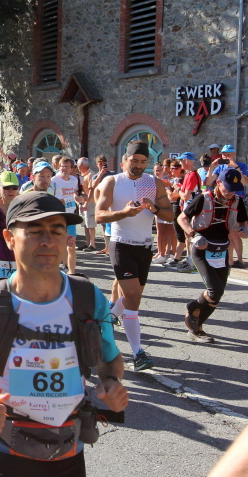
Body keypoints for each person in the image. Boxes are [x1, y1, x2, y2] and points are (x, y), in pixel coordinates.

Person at [0, 192, 128, 477]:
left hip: (70, 449)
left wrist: (112, 381)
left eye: (57, 231)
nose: (47, 241)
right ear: (9, 238)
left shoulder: (88, 298)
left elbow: (110, 359)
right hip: (6, 453)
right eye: (34, 231)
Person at [96, 140, 173, 371]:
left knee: (133, 295)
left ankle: (101, 323)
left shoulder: (154, 183)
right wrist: (124, 213)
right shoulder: (113, 181)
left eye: (143, 161)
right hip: (121, 245)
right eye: (134, 160)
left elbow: (169, 215)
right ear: (125, 160)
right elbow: (99, 215)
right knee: (133, 298)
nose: (138, 165)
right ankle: (138, 353)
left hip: (144, 247)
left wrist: (154, 208)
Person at [178, 168, 248, 342]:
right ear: (218, 183)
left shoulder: (237, 201)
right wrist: (193, 235)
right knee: (214, 290)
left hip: (221, 250)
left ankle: (197, 327)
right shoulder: (203, 198)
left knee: (218, 294)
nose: (230, 193)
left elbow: (243, 221)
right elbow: (182, 218)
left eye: (234, 189)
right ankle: (193, 307)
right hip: (202, 249)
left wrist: (244, 229)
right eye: (227, 188)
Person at [204, 144, 248, 268]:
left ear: (234, 154)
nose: (226, 157)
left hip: (237, 200)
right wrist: (211, 168)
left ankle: (239, 259)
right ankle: (229, 260)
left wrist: (236, 167)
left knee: (235, 231)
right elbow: (208, 183)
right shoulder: (220, 167)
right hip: (222, 201)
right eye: (224, 155)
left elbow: (244, 183)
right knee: (227, 232)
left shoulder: (242, 166)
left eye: (229, 155)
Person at [51, 156, 86, 274]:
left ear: (71, 169)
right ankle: (58, 267)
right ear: (59, 167)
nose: (64, 169)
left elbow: (75, 194)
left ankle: (71, 271)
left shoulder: (74, 180)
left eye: (67, 167)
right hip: (58, 216)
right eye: (62, 166)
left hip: (71, 216)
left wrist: (80, 201)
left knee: (71, 244)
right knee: (58, 244)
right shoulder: (54, 180)